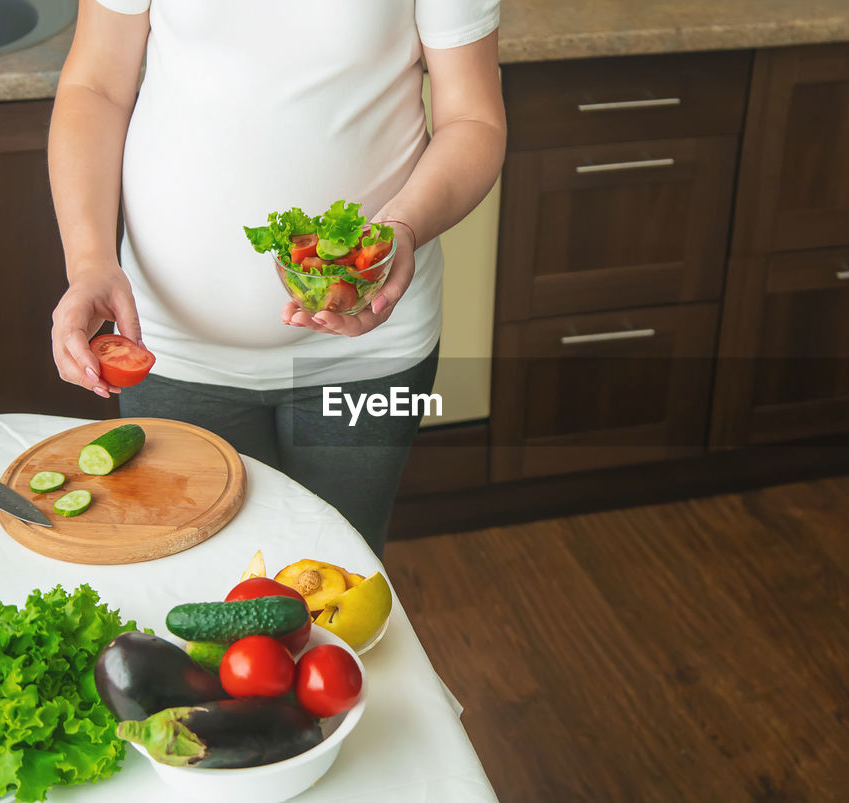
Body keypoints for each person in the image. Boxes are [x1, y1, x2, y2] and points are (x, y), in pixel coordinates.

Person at [47, 0, 506, 556]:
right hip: (167, 346)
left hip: (370, 355)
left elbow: (473, 119)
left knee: (339, 577)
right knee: (193, 580)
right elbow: (95, 86)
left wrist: (402, 228)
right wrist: (89, 260)